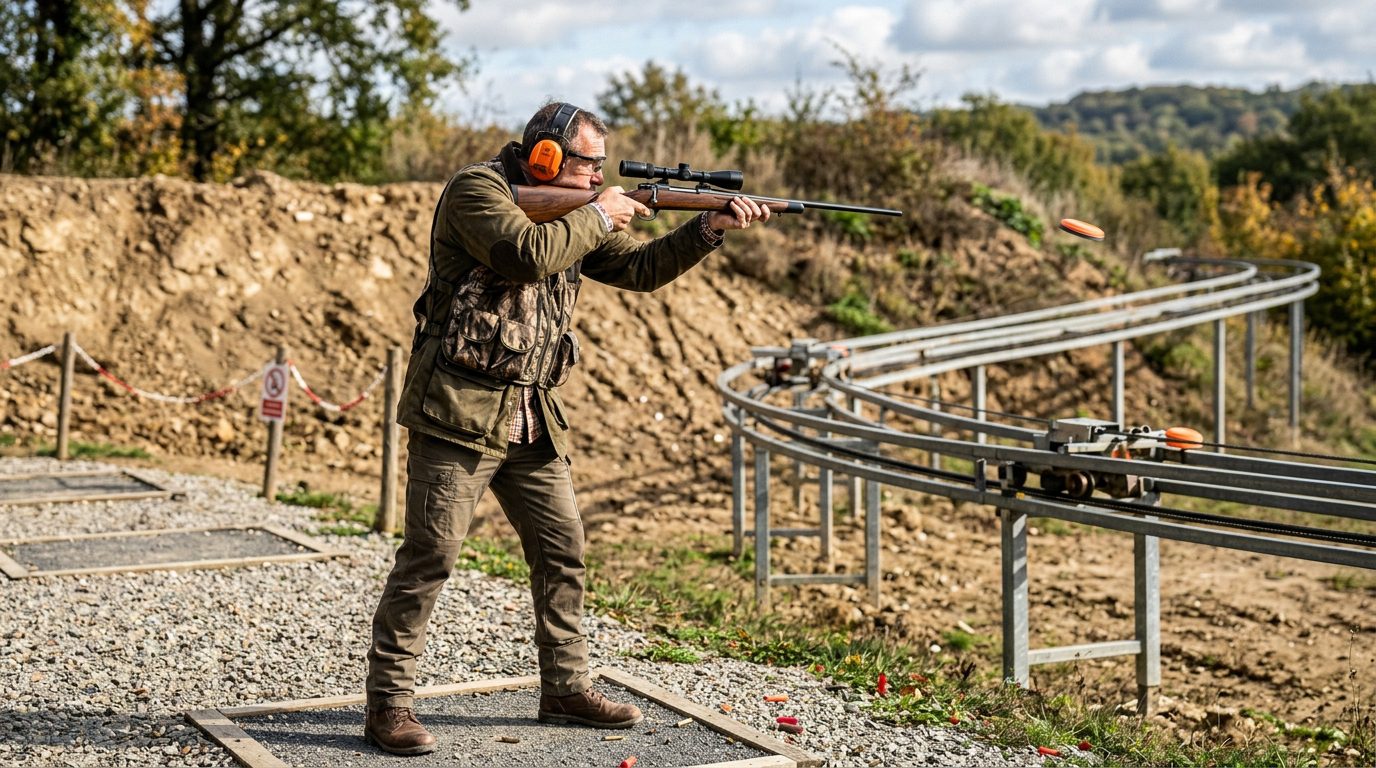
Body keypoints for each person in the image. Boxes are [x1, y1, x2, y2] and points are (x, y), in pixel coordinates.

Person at [363, 101, 770, 755]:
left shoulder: (577, 213)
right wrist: (602, 210)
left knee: (562, 551)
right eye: (589, 165)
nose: (596, 178)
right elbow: (523, 254)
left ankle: (565, 688)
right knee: (429, 557)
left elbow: (637, 271)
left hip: (531, 415)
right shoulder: (478, 190)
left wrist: (707, 229)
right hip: (458, 411)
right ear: (545, 157)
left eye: (602, 171)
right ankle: (387, 706)